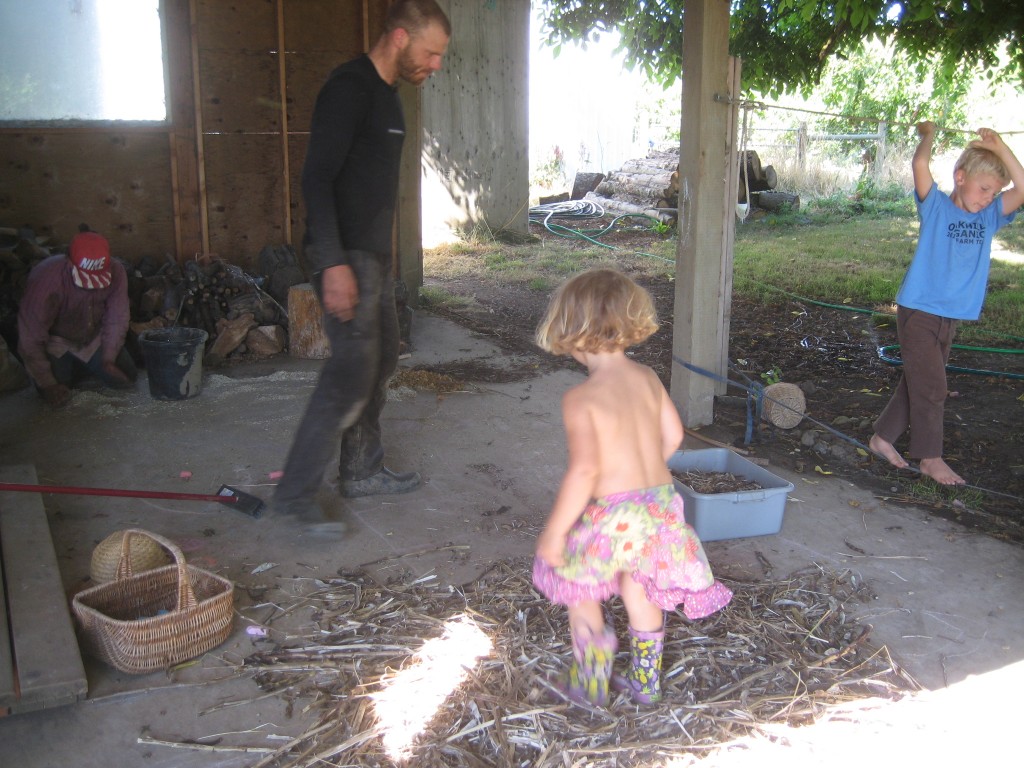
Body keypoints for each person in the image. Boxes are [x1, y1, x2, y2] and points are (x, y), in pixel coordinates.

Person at [273, 0, 451, 533]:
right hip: (345, 256)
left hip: (372, 258)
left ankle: (361, 470)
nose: (436, 65)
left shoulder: (388, 98)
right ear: (400, 37)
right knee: (349, 373)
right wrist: (332, 264)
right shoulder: (348, 89)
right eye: (431, 52)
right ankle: (295, 496)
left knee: (380, 363)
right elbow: (317, 179)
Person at [531, 268, 732, 706]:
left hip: (614, 512)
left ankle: (591, 679)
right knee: (639, 587)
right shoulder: (647, 378)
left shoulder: (580, 398)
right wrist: (644, 477)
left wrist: (553, 532)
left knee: (576, 585)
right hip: (661, 507)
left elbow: (584, 472)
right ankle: (646, 683)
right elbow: (675, 437)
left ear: (570, 329)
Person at [869, 123, 1024, 486]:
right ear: (960, 177)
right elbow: (920, 166)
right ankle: (929, 458)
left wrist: (1001, 149)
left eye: (994, 192)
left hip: (949, 318)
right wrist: (928, 134)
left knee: (919, 382)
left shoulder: (989, 217)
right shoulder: (936, 207)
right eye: (984, 188)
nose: (988, 198)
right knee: (933, 387)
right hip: (919, 311)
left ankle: (881, 438)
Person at [17, 228, 136, 408]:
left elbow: (117, 317)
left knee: (127, 377)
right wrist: (47, 382)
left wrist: (109, 358)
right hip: (57, 342)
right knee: (57, 392)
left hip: (93, 337)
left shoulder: (117, 271)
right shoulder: (46, 278)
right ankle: (74, 367)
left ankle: (85, 365)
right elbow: (30, 335)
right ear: (70, 263)